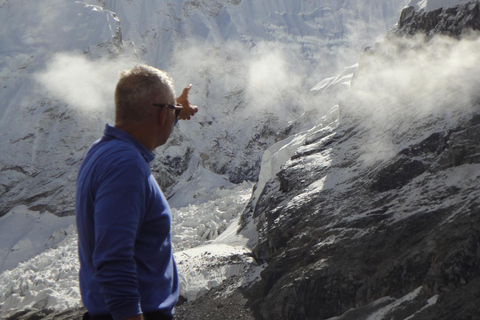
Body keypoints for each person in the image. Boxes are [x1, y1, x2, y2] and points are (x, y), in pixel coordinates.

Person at [75, 64, 198, 320]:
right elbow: (114, 257)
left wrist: (175, 112)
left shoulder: (103, 149)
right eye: (171, 110)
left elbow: (148, 124)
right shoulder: (126, 166)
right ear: (161, 115)